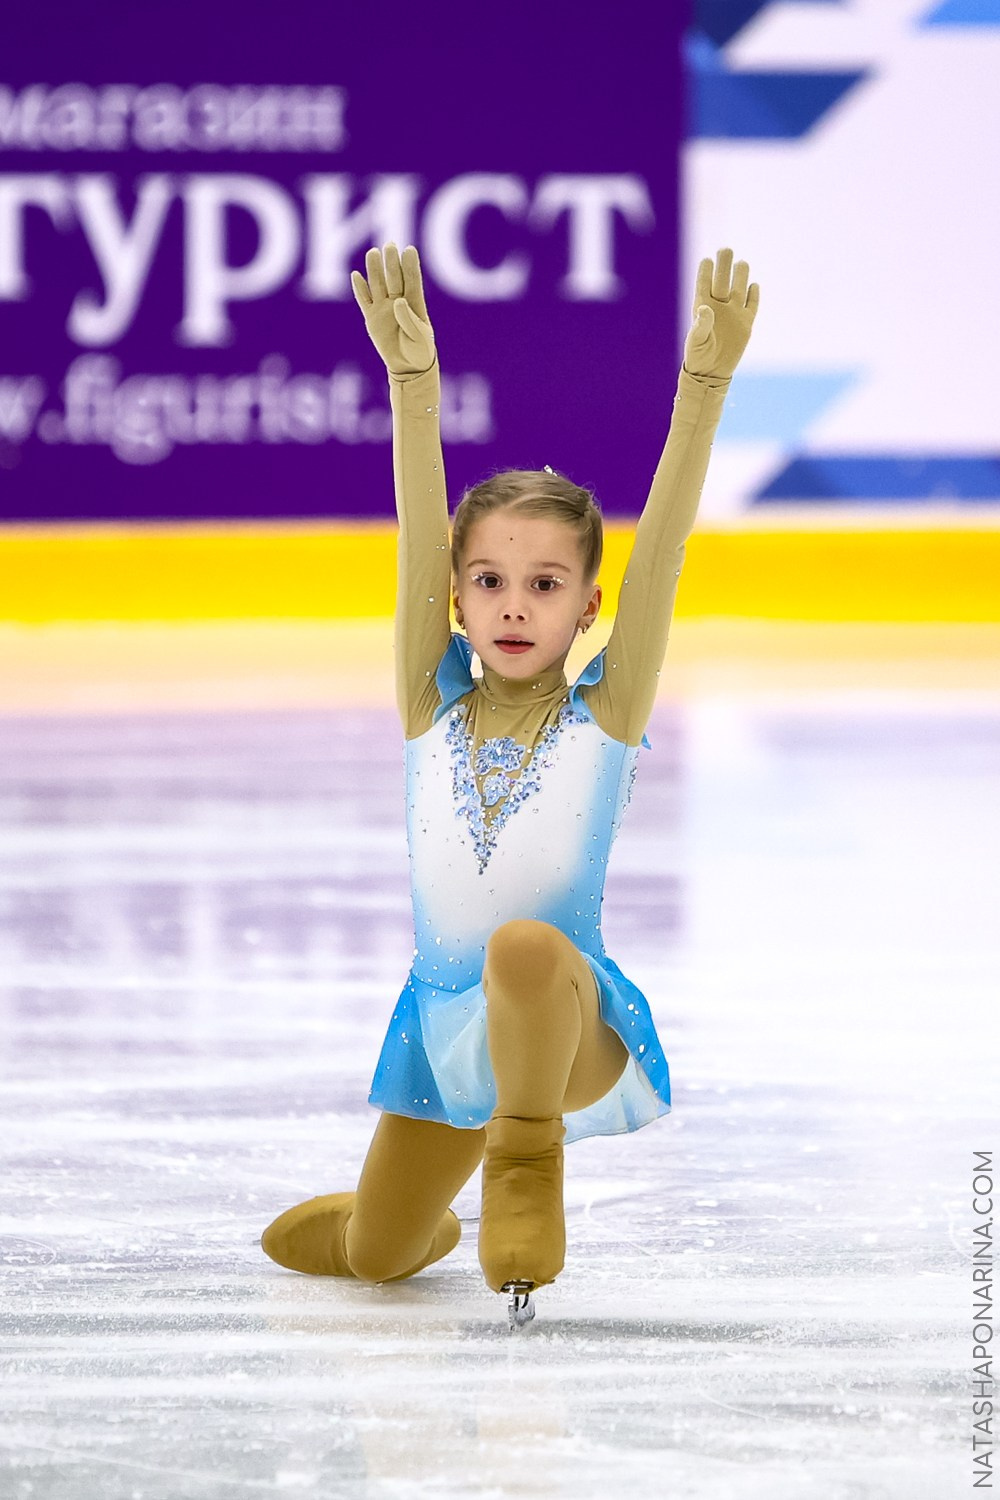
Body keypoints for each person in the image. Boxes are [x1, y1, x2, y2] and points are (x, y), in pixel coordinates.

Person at [261, 242, 758, 1317]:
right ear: (455, 596)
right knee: (380, 1260)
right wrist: (413, 392)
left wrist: (702, 389)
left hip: (563, 1024)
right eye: (487, 580)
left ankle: (525, 1171)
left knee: (523, 949)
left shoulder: (604, 714)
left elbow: (662, 552)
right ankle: (386, 1226)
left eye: (545, 584)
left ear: (586, 606)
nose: (514, 605)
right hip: (443, 1033)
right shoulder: (425, 702)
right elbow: (411, 538)